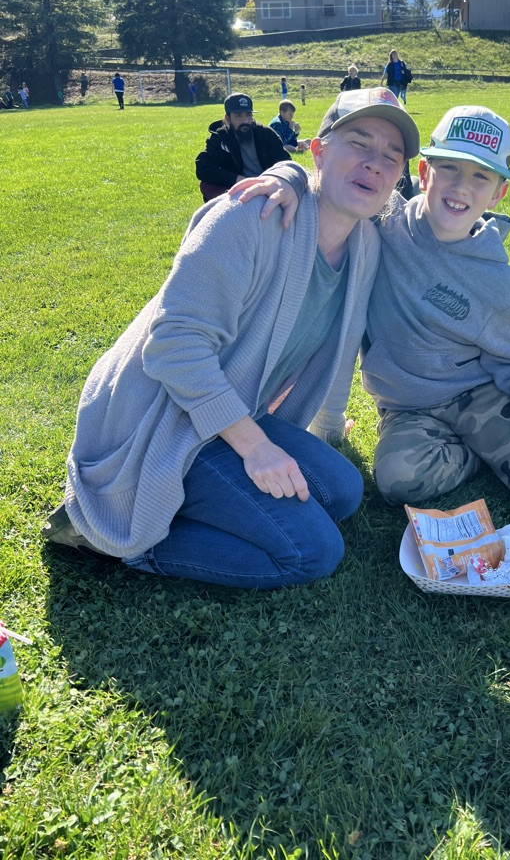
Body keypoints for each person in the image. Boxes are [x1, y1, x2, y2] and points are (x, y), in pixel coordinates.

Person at [41, 87, 421, 590]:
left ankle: (191, 500)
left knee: (344, 492)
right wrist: (257, 449)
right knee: (312, 552)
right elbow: (174, 347)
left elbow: (345, 344)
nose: (375, 164)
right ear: (318, 150)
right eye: (359, 142)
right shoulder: (250, 217)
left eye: (391, 156)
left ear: (399, 177)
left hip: (229, 408)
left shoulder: (365, 244)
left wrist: (327, 429)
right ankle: (121, 538)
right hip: (158, 420)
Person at [248, 105, 510, 515]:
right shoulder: (383, 223)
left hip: (483, 398)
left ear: (498, 192)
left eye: (480, 177)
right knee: (397, 479)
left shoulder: (496, 282)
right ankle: (484, 454)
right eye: (450, 169)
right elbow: (330, 188)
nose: (461, 187)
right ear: (423, 173)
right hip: (409, 408)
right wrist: (288, 176)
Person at [195, 92, 291, 202]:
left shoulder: (266, 135)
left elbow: (285, 163)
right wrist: (237, 179)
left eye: (248, 115)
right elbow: (202, 167)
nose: (245, 121)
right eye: (239, 116)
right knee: (207, 185)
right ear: (227, 118)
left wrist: (269, 181)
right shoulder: (220, 138)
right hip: (237, 190)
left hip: (266, 187)